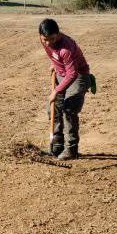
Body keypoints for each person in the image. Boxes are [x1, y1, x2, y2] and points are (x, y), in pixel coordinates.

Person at [39, 18, 91, 160]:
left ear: (59, 34)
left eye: (52, 39)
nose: (48, 43)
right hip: (62, 74)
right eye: (45, 39)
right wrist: (55, 63)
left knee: (69, 109)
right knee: (53, 108)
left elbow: (72, 73)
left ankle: (71, 149)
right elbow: (52, 53)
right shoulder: (44, 40)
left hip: (79, 76)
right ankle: (57, 147)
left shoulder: (66, 48)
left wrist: (56, 91)